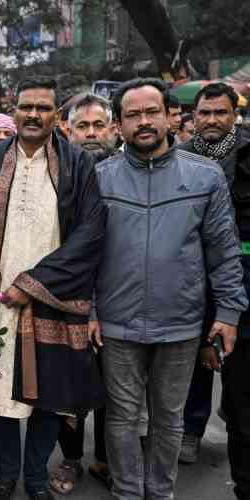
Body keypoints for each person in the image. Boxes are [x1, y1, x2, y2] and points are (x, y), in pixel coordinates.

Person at [94, 78, 247, 500]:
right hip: (118, 324)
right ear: (119, 124)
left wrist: (229, 314)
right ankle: (127, 493)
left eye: (151, 112)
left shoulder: (205, 176)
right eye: (133, 115)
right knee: (123, 417)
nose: (143, 122)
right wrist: (90, 311)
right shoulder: (100, 177)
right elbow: (86, 254)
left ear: (171, 118)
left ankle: (161, 493)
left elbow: (223, 250)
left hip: (180, 324)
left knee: (169, 419)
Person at [0, 77, 106, 500]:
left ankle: (36, 477)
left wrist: (34, 283)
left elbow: (91, 233)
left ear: (56, 115)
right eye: (26, 106)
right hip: (0, 302)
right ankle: (6, 476)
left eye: (43, 108)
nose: (33, 114)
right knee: (1, 396)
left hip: (54, 299)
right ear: (14, 109)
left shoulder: (78, 164)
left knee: (48, 398)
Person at [178, 83, 250, 481]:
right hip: (191, 273)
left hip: (240, 271)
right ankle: (192, 427)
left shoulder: (247, 153)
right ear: (193, 117)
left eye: (220, 113)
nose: (211, 121)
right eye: (204, 113)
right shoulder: (181, 156)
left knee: (234, 352)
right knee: (194, 356)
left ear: (234, 115)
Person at [48, 92, 116, 496]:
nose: (90, 134)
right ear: (67, 130)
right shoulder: (57, 172)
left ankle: (106, 459)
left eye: (98, 125)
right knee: (68, 387)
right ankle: (70, 458)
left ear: (111, 128)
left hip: (118, 297)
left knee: (113, 387)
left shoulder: (128, 170)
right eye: (82, 126)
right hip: (67, 295)